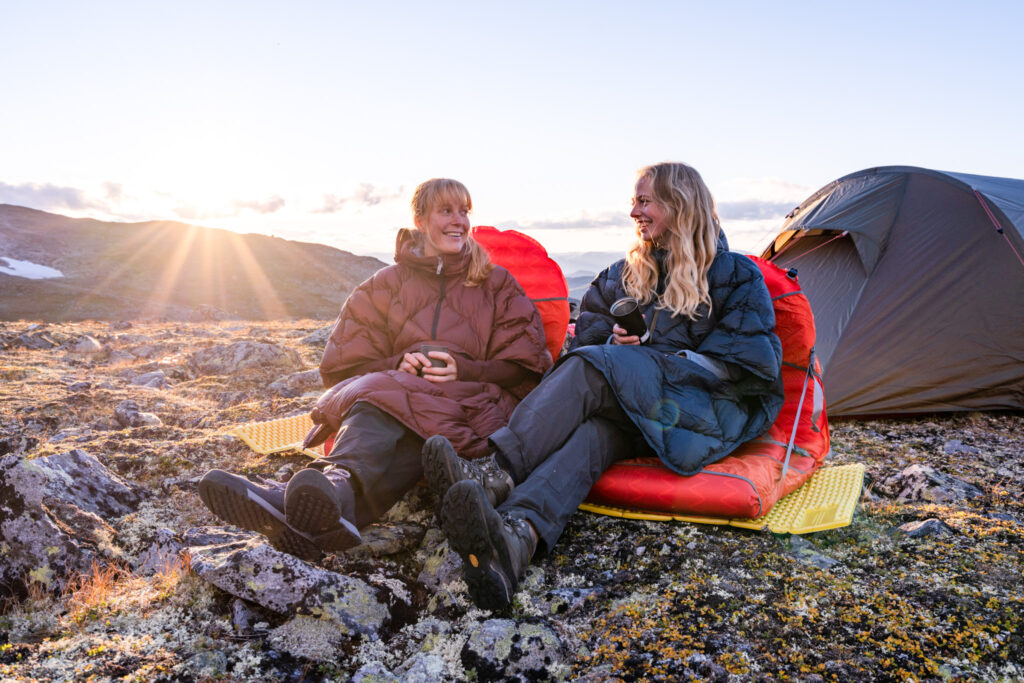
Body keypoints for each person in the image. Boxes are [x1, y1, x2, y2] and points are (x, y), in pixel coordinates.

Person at [422, 162, 785, 610]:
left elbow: (751, 366)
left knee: (596, 369)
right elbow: (585, 342)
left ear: (680, 204)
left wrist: (657, 358)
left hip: (699, 410)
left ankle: (496, 472)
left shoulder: (734, 275)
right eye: (634, 201)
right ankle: (515, 541)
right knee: (596, 433)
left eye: (644, 201)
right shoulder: (621, 274)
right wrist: (614, 343)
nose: (634, 211)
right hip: (634, 414)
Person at [198, 178, 552, 560]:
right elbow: (343, 368)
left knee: (390, 403)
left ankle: (314, 489)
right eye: (446, 211)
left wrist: (464, 370)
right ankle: (330, 511)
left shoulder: (496, 284)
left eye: (464, 211)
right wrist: (398, 363)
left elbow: (526, 369)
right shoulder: (384, 285)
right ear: (419, 219)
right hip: (398, 399)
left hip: (471, 404)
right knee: (390, 403)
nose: (459, 221)